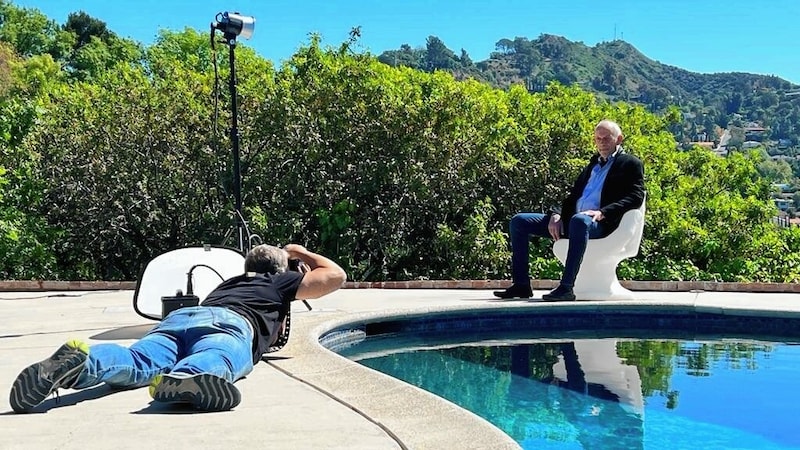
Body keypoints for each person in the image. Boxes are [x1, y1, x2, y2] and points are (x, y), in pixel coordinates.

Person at [9, 243, 347, 413]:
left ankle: (85, 361)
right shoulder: (279, 280)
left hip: (185, 316)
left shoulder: (230, 281)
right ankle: (189, 377)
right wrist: (297, 253)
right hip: (229, 324)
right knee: (218, 353)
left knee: (138, 360)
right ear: (279, 269)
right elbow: (335, 275)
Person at [494, 119, 644, 301]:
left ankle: (566, 288)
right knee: (519, 221)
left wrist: (603, 212)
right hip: (573, 221)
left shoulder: (630, 163)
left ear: (619, 139)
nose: (602, 142)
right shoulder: (592, 166)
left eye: (607, 138)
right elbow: (572, 196)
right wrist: (555, 215)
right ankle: (521, 285)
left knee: (579, 221)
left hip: (598, 224)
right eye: (598, 138)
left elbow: (636, 196)